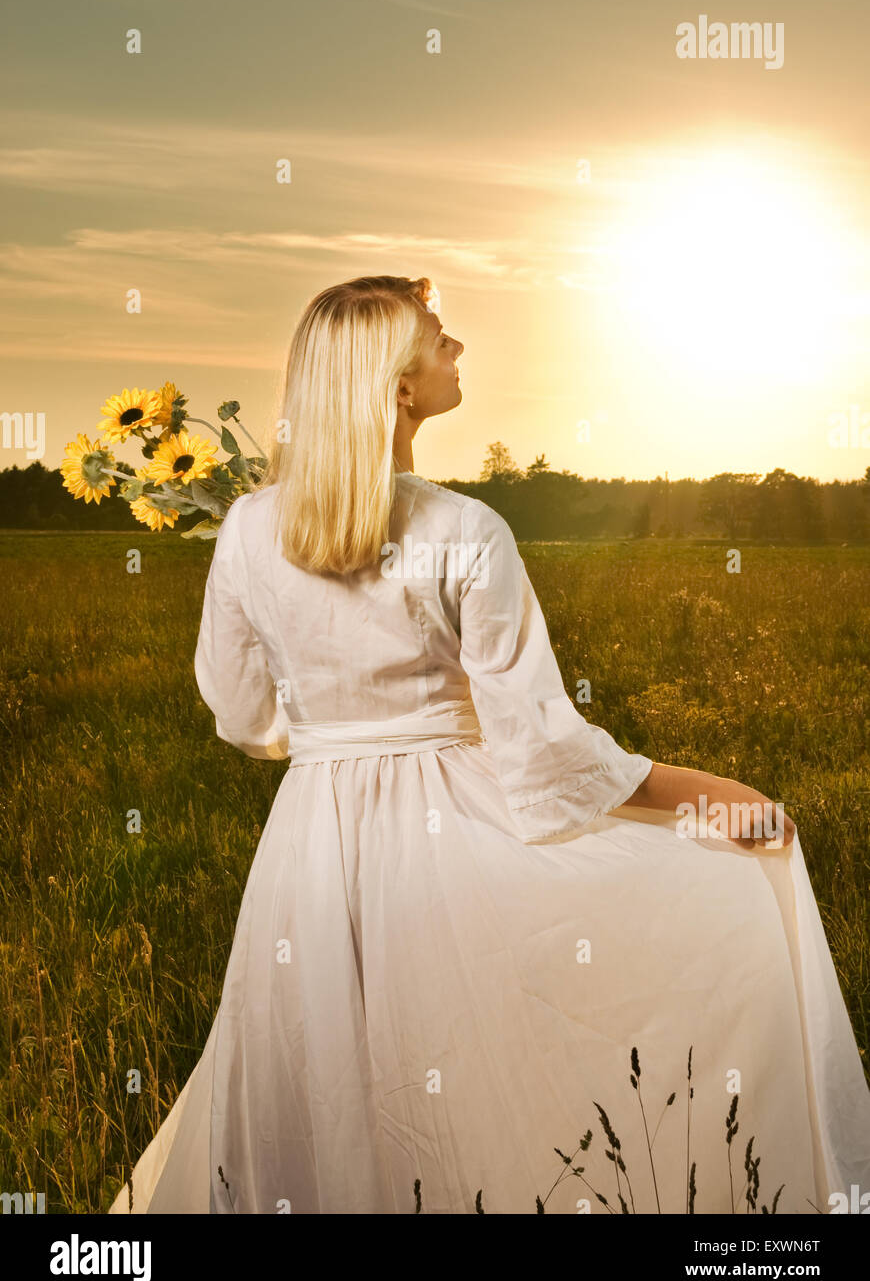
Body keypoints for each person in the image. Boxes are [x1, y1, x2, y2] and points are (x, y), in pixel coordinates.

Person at [109, 275, 870, 1215]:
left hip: (307, 846)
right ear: (396, 387)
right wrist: (719, 797)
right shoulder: (466, 529)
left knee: (324, 1083)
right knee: (469, 1080)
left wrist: (328, 744)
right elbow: (544, 752)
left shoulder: (249, 528)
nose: (458, 348)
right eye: (441, 336)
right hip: (450, 834)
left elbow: (238, 712)